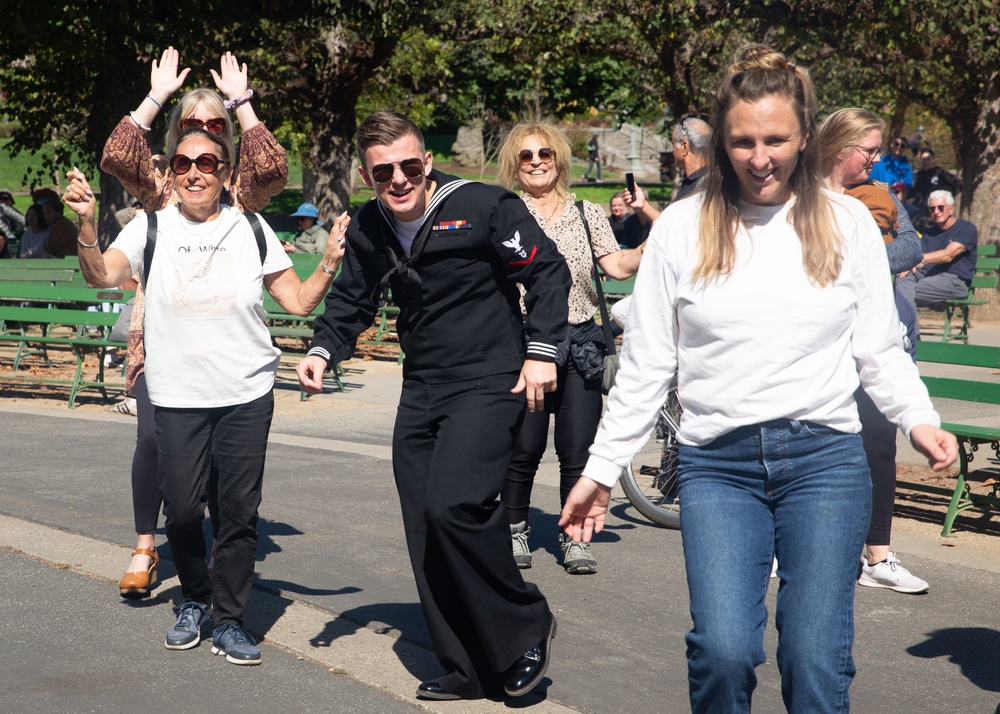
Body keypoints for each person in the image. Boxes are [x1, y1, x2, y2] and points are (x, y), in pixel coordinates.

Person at [559, 45, 957, 712]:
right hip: (718, 465)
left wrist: (919, 417)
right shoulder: (684, 226)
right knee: (722, 651)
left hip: (825, 461)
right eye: (743, 141)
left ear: (805, 137)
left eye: (775, 139)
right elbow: (649, 362)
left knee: (814, 656)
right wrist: (600, 471)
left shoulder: (846, 222)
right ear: (723, 141)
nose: (760, 157)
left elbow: (878, 348)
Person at [297, 111, 567, 701]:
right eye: (383, 172)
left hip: (490, 380)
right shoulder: (369, 225)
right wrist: (323, 349)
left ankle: (524, 625)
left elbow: (548, 271)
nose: (398, 180)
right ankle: (468, 665)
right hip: (421, 388)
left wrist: (542, 351)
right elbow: (352, 299)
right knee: (424, 527)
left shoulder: (484, 205)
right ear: (369, 177)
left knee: (455, 506)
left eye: (409, 166)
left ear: (425, 161)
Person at [66, 127, 348, 666]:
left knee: (239, 514)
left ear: (225, 173)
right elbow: (100, 275)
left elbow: (298, 301)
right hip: (176, 393)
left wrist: (330, 260)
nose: (194, 172)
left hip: (245, 392)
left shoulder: (252, 227)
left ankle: (230, 619)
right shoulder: (150, 227)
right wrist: (84, 223)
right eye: (182, 163)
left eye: (207, 163)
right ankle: (193, 599)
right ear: (171, 172)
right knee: (183, 510)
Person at [101, 47, 289, 600]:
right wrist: (157, 97)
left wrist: (243, 106)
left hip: (227, 356)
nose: (203, 133)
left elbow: (275, 169)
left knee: (215, 476)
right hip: (161, 341)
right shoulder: (165, 184)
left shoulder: (239, 190)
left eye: (214, 126)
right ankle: (144, 544)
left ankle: (210, 569)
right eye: (192, 126)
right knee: (153, 436)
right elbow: (115, 154)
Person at [496, 121, 645, 574]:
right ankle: (515, 528)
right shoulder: (502, 211)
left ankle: (574, 536)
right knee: (524, 448)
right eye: (526, 155)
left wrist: (660, 236)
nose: (537, 161)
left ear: (559, 159)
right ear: (514, 164)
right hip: (525, 344)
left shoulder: (586, 212)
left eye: (545, 153)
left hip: (581, 341)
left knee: (577, 450)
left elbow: (617, 266)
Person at [818, 107, 930, 594]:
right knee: (816, 442)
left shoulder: (880, 196)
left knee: (881, 444)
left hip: (878, 334)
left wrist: (859, 256)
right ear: (839, 148)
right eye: (869, 150)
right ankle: (796, 547)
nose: (876, 159)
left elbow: (910, 248)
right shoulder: (800, 199)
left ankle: (878, 556)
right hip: (822, 344)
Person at [897, 190, 978, 312]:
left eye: (941, 208)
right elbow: (920, 261)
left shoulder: (966, 229)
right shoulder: (929, 233)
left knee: (904, 290)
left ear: (951, 209)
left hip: (954, 281)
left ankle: (909, 329)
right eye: (932, 209)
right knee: (900, 279)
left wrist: (915, 259)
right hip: (928, 276)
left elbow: (948, 255)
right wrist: (907, 265)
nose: (936, 212)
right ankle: (910, 329)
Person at [909, 148, 962, 225]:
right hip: (920, 211)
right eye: (924, 159)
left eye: (928, 159)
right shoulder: (917, 176)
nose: (926, 162)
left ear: (933, 160)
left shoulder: (940, 173)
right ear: (920, 160)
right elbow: (911, 193)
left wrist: (947, 197)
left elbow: (957, 184)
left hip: (937, 211)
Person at [671, 116, 712, 201]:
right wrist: (644, 206)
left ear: (685, 147)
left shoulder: (704, 188)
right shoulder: (715, 178)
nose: (673, 151)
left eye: (673, 144)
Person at [0, 189, 24, 258]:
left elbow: (22, 220)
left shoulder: (2, 208)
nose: (2, 200)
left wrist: (18, 232)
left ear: (11, 200)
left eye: (5, 198)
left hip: (8, 240)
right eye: (0, 198)